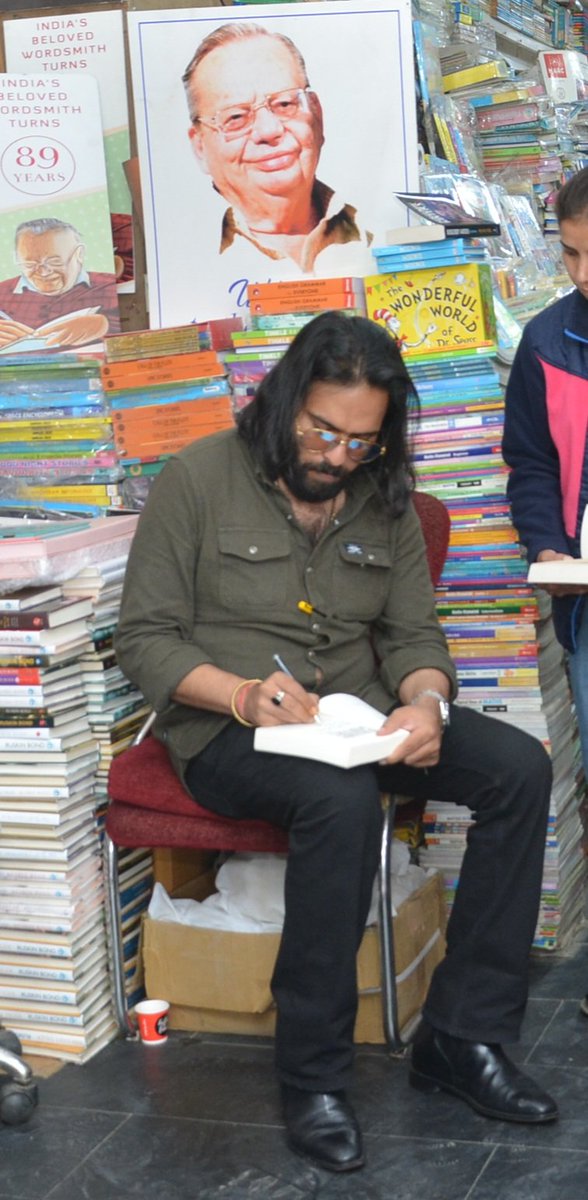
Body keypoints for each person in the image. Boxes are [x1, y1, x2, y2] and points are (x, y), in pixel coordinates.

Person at [116, 311, 557, 1174]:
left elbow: (415, 637)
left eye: (363, 441)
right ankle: (313, 1075)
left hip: (353, 721)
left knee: (519, 768)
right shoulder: (196, 480)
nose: (339, 456)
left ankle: (463, 1038)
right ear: (283, 402)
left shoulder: (382, 492)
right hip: (227, 728)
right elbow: (147, 640)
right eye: (323, 432)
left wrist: (425, 703)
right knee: (339, 799)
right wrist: (242, 694)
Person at [503, 166, 588, 1023]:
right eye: (570, 255)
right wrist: (549, 543)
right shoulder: (549, 341)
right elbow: (530, 461)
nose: (585, 275)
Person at [182, 21, 373, 279]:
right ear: (200, 147)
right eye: (236, 117)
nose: (269, 130)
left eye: (285, 104)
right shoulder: (186, 265)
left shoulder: (378, 234)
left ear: (317, 113)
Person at [0, 217, 119, 350]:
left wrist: (106, 325)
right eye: (30, 264)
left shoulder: (109, 285)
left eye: (54, 261)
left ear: (79, 254)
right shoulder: (2, 292)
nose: (43, 272)